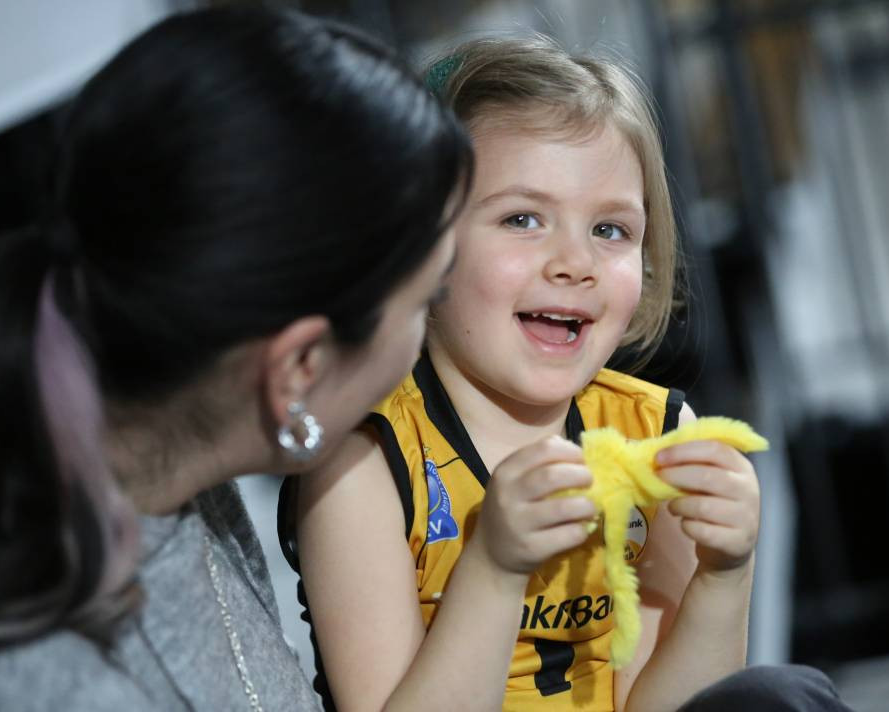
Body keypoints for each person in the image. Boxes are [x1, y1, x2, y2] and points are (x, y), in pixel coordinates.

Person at [0, 6, 471, 711]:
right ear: (296, 370)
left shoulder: (126, 400)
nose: (434, 325)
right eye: (425, 299)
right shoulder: (60, 688)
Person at [291, 36, 851, 712]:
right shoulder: (364, 460)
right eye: (523, 219)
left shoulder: (659, 433)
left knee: (780, 695)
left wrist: (723, 577)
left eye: (611, 231)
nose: (575, 262)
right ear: (421, 247)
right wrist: (495, 567)